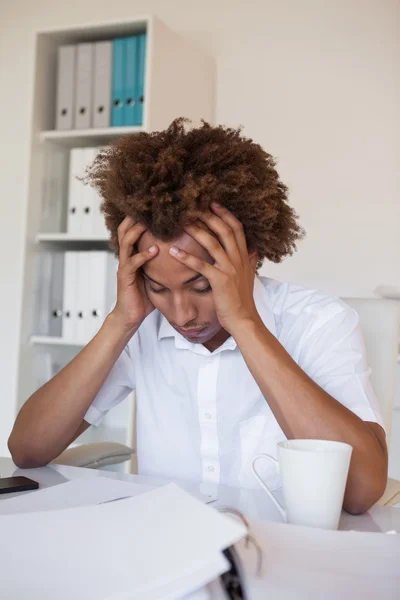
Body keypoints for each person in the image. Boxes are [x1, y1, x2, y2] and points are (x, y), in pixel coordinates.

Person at [8, 118, 387, 514]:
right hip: (170, 549)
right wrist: (121, 321)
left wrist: (245, 324)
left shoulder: (318, 322)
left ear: (250, 257)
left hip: (282, 552)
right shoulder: (142, 326)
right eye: (158, 288)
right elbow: (28, 448)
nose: (182, 313)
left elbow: (361, 490)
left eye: (201, 286)